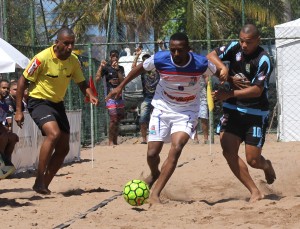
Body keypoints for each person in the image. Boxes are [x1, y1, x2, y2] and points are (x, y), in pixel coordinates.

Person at [106, 32, 223, 204]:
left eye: (180, 50)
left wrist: (228, 80)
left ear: (188, 50)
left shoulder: (200, 63)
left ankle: (155, 194)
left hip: (187, 111)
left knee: (176, 148)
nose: (175, 54)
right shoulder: (160, 58)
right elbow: (139, 69)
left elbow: (219, 72)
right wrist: (120, 87)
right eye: (172, 50)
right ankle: (154, 174)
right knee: (152, 153)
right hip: (162, 107)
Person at [14, 27, 99, 194]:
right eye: (66, 43)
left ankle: (43, 184)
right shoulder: (41, 58)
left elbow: (82, 83)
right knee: (53, 134)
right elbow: (22, 81)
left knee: (64, 149)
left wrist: (90, 95)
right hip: (38, 101)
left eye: (72, 44)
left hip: (57, 104)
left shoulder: (73, 60)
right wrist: (18, 110)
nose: (69, 47)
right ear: (57, 42)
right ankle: (39, 178)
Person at [206, 24, 276, 202]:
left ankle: (266, 165)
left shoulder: (264, 59)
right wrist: (223, 68)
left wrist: (228, 93)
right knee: (228, 151)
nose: (244, 45)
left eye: (249, 42)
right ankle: (254, 191)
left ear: (258, 40)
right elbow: (210, 55)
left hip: (255, 112)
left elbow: (256, 91)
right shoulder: (234, 47)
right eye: (242, 41)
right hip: (232, 109)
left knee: (253, 160)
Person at [95, 50, 125, 146]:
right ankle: (110, 141)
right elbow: (97, 79)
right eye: (112, 56)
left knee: (118, 120)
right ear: (110, 57)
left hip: (119, 97)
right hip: (110, 97)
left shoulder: (121, 68)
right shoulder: (106, 68)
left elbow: (122, 81)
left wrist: (117, 70)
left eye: (116, 56)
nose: (114, 58)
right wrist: (100, 67)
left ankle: (115, 140)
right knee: (113, 119)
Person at [131, 50, 160, 144]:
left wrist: (161, 47)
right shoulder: (143, 72)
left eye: (148, 61)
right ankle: (144, 139)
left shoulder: (157, 69)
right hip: (147, 97)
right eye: (144, 61)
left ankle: (158, 137)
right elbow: (133, 68)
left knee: (159, 118)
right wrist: (137, 56)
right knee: (143, 118)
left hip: (158, 97)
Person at [0, 79, 19, 179]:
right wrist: (4, 129)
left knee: (13, 137)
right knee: (3, 137)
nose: (6, 90)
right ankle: (3, 169)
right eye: (3, 88)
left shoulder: (5, 103)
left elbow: (8, 117)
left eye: (7, 88)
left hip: (2, 130)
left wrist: (8, 128)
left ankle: (7, 169)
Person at [194, 75, 209, 144]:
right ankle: (195, 138)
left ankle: (206, 139)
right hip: (192, 98)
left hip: (203, 98)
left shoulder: (202, 70)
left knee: (204, 118)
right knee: (194, 120)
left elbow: (207, 80)